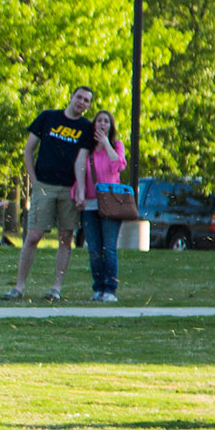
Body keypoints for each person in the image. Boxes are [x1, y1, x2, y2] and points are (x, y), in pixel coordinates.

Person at [5, 85, 95, 300]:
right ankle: (18, 287)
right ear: (71, 97)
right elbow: (29, 149)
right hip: (44, 185)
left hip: (69, 189)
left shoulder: (86, 128)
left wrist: (81, 190)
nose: (82, 102)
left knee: (66, 237)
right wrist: (33, 180)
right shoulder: (48, 118)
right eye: (79, 97)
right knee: (33, 236)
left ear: (89, 106)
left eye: (87, 101)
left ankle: (56, 288)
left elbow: (82, 161)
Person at [78, 109, 127, 302]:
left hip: (111, 204)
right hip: (90, 205)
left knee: (109, 247)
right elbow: (80, 171)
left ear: (111, 126)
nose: (102, 124)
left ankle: (110, 289)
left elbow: (119, 165)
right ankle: (97, 287)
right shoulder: (87, 150)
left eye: (106, 121)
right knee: (94, 249)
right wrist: (79, 194)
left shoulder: (116, 146)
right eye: (99, 121)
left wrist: (106, 144)